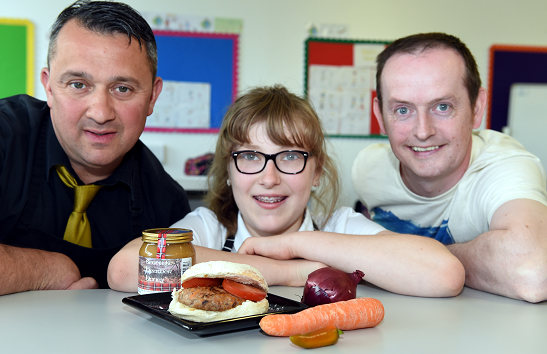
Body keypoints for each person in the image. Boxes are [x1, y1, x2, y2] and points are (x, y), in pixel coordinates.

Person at [108, 85, 464, 297]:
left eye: (290, 157)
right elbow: (125, 268)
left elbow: (442, 273)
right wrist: (286, 271)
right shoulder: (213, 227)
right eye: (250, 156)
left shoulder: (337, 225)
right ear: (229, 170)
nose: (269, 177)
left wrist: (293, 246)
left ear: (317, 172)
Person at [0, 0, 190, 294]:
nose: (100, 113)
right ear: (49, 87)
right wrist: (48, 270)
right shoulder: (5, 137)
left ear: (152, 97)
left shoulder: (168, 205)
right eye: (78, 84)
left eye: (122, 89)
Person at [351, 32, 547, 303]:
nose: (422, 132)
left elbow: (533, 272)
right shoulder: (368, 170)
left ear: (477, 108)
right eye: (403, 110)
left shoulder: (505, 166)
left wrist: (418, 260)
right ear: (380, 116)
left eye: (442, 107)